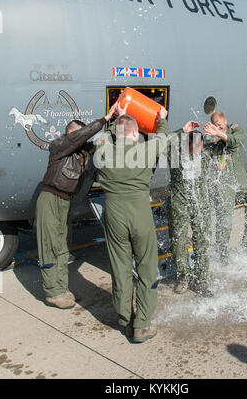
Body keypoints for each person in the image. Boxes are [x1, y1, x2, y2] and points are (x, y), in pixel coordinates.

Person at [94, 103, 168, 343]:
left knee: (120, 268)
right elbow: (164, 137)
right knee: (146, 268)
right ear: (136, 133)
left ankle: (125, 319)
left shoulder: (104, 149)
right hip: (139, 211)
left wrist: (113, 120)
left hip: (114, 212)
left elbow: (102, 136)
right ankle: (142, 325)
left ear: (117, 133)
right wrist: (161, 119)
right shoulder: (145, 150)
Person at [36, 102, 118, 309]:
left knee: (62, 247)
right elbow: (81, 136)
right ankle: (52, 291)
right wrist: (104, 119)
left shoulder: (82, 152)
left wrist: (119, 121)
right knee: (49, 245)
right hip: (50, 199)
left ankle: (62, 288)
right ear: (71, 133)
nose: (84, 139)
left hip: (66, 201)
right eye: (80, 134)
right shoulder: (59, 145)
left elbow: (102, 140)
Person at [203, 111, 247, 263]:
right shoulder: (211, 137)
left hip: (241, 177)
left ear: (225, 121)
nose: (217, 126)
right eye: (214, 124)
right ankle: (222, 254)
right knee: (225, 217)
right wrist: (205, 137)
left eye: (219, 123)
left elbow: (237, 141)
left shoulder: (235, 129)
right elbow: (203, 153)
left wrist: (219, 133)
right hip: (225, 181)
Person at [167, 121, 213, 297]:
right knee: (178, 240)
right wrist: (182, 130)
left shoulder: (206, 153)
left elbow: (229, 146)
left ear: (202, 144)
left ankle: (201, 279)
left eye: (198, 146)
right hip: (179, 204)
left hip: (200, 204)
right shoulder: (174, 155)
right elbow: (164, 140)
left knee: (202, 240)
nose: (195, 150)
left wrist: (218, 131)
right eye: (190, 146)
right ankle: (184, 276)